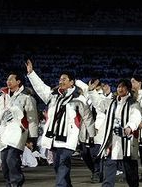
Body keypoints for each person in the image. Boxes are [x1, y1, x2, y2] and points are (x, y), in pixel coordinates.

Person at [25, 59, 95, 187]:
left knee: (63, 163)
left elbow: (88, 118)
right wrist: (31, 73)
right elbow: (40, 88)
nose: (60, 81)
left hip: (69, 137)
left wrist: (91, 136)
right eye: (60, 79)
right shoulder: (53, 95)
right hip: (54, 137)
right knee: (58, 165)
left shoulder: (79, 99)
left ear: (71, 82)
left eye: (64, 79)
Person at [0, 72, 39, 186]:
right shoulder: (3, 97)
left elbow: (32, 119)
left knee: (12, 160)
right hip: (4, 134)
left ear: (18, 82)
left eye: (11, 79)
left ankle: (16, 182)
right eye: (7, 79)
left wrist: (32, 138)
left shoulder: (26, 97)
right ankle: (9, 183)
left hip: (18, 133)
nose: (8, 81)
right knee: (5, 163)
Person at [88, 78, 142, 187]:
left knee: (131, 174)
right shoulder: (111, 102)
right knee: (109, 170)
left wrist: (129, 127)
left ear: (128, 89)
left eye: (123, 87)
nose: (120, 89)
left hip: (127, 143)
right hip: (111, 141)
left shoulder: (133, 103)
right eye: (118, 86)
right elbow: (99, 104)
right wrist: (91, 91)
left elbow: (136, 116)